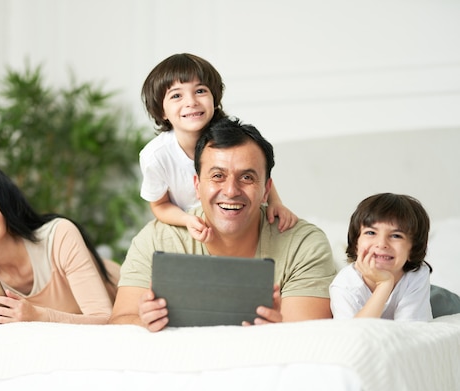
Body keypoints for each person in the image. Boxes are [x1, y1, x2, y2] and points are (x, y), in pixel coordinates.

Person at [109, 117, 336, 331]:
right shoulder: (157, 240)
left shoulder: (303, 245)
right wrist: (144, 320)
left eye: (247, 178)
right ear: (197, 185)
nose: (230, 191)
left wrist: (278, 331)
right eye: (217, 176)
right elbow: (118, 323)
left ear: (266, 190)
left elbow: (310, 339)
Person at [139, 53, 298, 242]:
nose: (191, 102)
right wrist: (187, 220)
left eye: (200, 91)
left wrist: (275, 202)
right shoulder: (155, 156)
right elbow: (159, 205)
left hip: (236, 221)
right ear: (161, 111)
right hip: (193, 229)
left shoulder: (232, 137)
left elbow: (254, 173)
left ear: (214, 99)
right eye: (176, 95)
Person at [0, 161, 118, 325]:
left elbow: (105, 319)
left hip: (128, 304)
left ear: (6, 204)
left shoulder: (59, 235)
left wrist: (37, 315)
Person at [330, 193, 433, 320]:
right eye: (371, 232)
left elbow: (409, 331)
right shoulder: (344, 285)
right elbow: (355, 333)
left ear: (413, 249)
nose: (382, 244)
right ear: (356, 243)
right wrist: (384, 284)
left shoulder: (417, 275)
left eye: (396, 236)